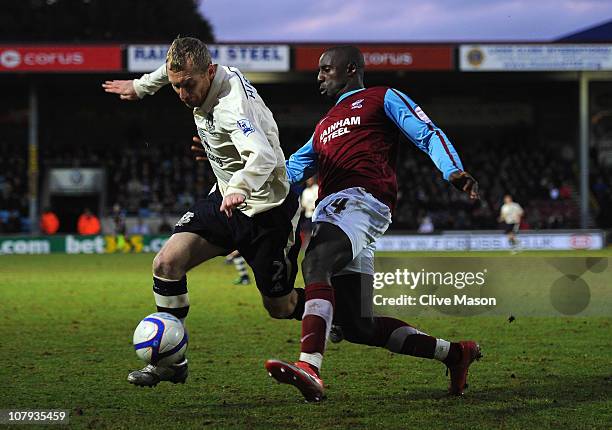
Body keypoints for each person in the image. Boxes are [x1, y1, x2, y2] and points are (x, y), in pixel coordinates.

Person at [264, 46, 481, 401]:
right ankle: (457, 353)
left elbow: (426, 132)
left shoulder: (382, 97)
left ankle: (310, 367)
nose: (319, 76)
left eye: (325, 69)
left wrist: (451, 168)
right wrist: (234, 178)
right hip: (334, 213)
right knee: (359, 326)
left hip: (363, 201)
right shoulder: (322, 127)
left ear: (350, 69)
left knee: (316, 262)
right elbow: (288, 172)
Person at [103, 36, 304, 387]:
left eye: (189, 86)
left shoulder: (232, 106)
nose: (182, 94)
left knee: (280, 306)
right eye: (177, 86)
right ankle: (170, 362)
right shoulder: (196, 74)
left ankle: (331, 311)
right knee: (166, 263)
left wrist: (240, 186)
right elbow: (170, 73)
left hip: (266, 210)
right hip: (224, 197)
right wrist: (141, 87)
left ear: (210, 72)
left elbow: (264, 156)